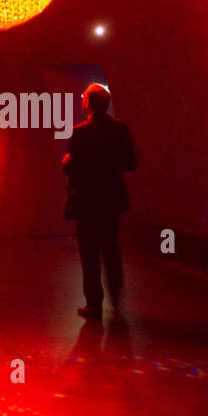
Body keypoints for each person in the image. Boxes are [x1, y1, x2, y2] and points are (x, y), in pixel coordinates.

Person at [61, 83, 136, 321]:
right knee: (111, 248)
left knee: (89, 253)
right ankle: (116, 298)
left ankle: (94, 305)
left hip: (87, 201)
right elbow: (130, 163)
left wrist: (66, 161)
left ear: (88, 103)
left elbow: (73, 170)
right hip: (111, 199)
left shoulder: (80, 132)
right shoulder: (121, 129)